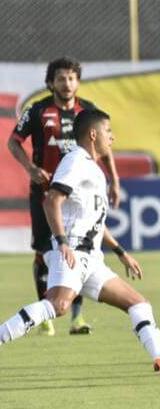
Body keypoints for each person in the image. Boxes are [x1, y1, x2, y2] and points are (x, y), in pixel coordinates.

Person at [0, 110, 160, 373]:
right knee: (58, 306)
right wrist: (61, 242)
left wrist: (120, 251)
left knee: (138, 303)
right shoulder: (75, 161)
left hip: (91, 259)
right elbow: (51, 201)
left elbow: (93, 220)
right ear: (93, 134)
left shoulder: (93, 168)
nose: (112, 137)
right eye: (108, 131)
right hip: (72, 250)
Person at [7, 57, 121, 336]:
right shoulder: (37, 111)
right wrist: (31, 168)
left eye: (71, 78)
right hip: (46, 193)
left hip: (78, 196)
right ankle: (45, 311)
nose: (66, 83)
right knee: (44, 252)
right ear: (51, 82)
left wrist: (114, 179)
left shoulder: (88, 112)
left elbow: (104, 147)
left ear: (78, 82)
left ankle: (77, 317)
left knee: (78, 249)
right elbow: (13, 142)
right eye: (60, 78)